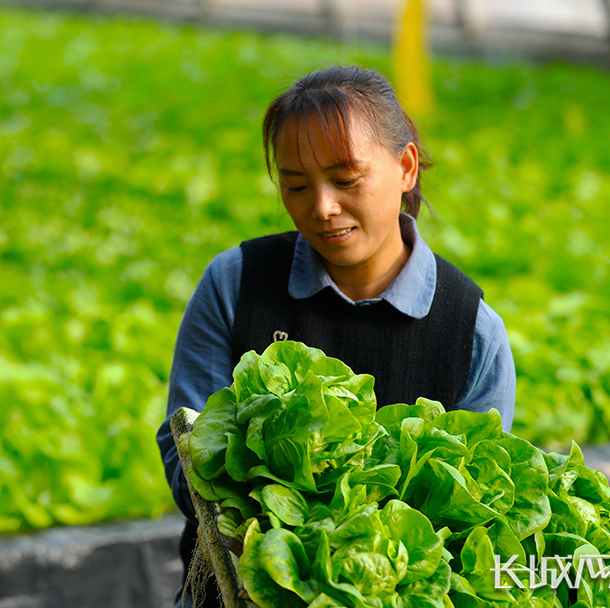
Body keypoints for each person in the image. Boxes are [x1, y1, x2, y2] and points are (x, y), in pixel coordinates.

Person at [156, 65, 516, 607]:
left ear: (406, 167)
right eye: (296, 185)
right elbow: (190, 459)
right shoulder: (236, 283)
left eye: (346, 180)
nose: (322, 208)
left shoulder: (470, 332)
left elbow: (473, 522)